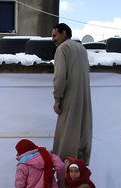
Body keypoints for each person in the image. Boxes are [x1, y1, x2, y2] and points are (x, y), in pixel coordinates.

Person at [51, 23, 92, 165]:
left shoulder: (62, 48)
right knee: (81, 137)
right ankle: (79, 175)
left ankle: (64, 177)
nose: (53, 39)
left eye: (54, 35)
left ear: (63, 33)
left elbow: (60, 77)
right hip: (84, 100)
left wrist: (57, 99)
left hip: (69, 99)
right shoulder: (82, 49)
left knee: (66, 140)